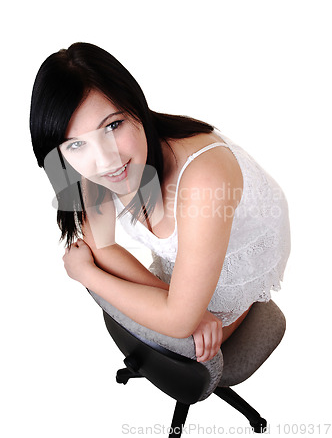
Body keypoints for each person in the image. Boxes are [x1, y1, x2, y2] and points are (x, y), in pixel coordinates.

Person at [30, 42, 291, 363]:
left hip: (235, 258)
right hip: (187, 255)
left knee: (191, 348)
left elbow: (179, 323)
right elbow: (101, 244)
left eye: (113, 125)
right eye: (76, 144)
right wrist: (175, 303)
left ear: (135, 104)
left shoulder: (204, 179)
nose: (105, 160)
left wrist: (86, 274)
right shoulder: (68, 166)